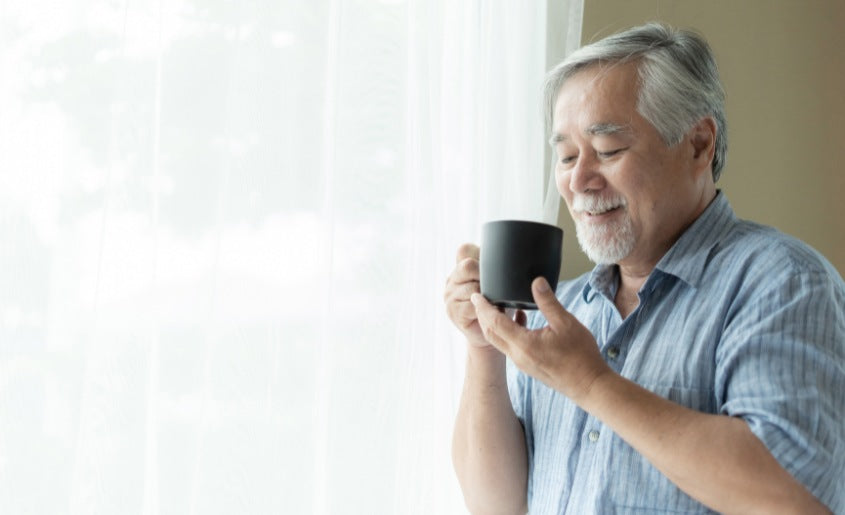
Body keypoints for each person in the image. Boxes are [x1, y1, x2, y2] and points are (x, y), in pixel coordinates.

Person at [444, 22, 844, 514]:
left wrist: (592, 384)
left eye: (608, 151)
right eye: (566, 156)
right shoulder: (562, 309)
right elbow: (496, 505)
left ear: (698, 145)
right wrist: (486, 349)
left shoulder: (783, 283)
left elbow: (796, 499)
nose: (580, 180)